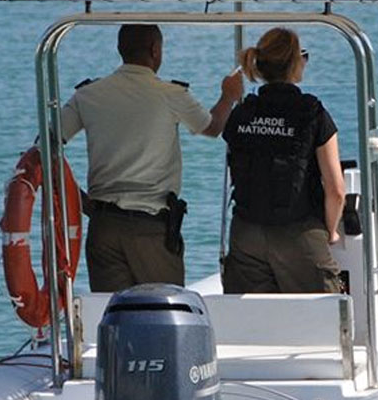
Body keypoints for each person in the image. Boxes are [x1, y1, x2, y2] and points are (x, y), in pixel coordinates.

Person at [60, 24, 244, 292]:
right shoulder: (171, 94)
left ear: (120, 49)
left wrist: (79, 200)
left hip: (103, 227)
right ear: (155, 50)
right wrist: (228, 97)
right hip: (151, 228)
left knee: (112, 309)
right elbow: (213, 127)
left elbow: (45, 148)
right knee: (163, 308)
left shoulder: (87, 95)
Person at [222, 27, 345, 294]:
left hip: (246, 234)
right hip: (299, 233)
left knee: (253, 317)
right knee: (322, 314)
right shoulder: (312, 113)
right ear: (294, 63)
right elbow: (336, 190)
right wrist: (331, 231)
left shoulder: (242, 113)